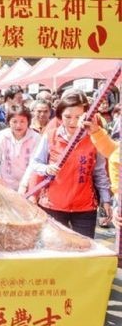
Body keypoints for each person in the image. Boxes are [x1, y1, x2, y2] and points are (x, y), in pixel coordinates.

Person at [28, 90, 112, 238]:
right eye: (67, 117)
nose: (72, 121)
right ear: (60, 116)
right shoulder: (51, 135)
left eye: (78, 117)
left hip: (84, 207)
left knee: (84, 250)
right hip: (53, 205)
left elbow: (99, 172)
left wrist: (106, 199)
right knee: (55, 251)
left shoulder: (95, 138)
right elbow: (35, 163)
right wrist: (47, 169)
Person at [0, 105, 40, 191]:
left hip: (27, 184)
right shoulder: (3, 135)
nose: (18, 125)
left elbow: (34, 163)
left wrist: (24, 185)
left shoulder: (35, 137)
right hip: (4, 183)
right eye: (14, 121)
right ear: (8, 122)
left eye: (22, 121)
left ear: (28, 122)